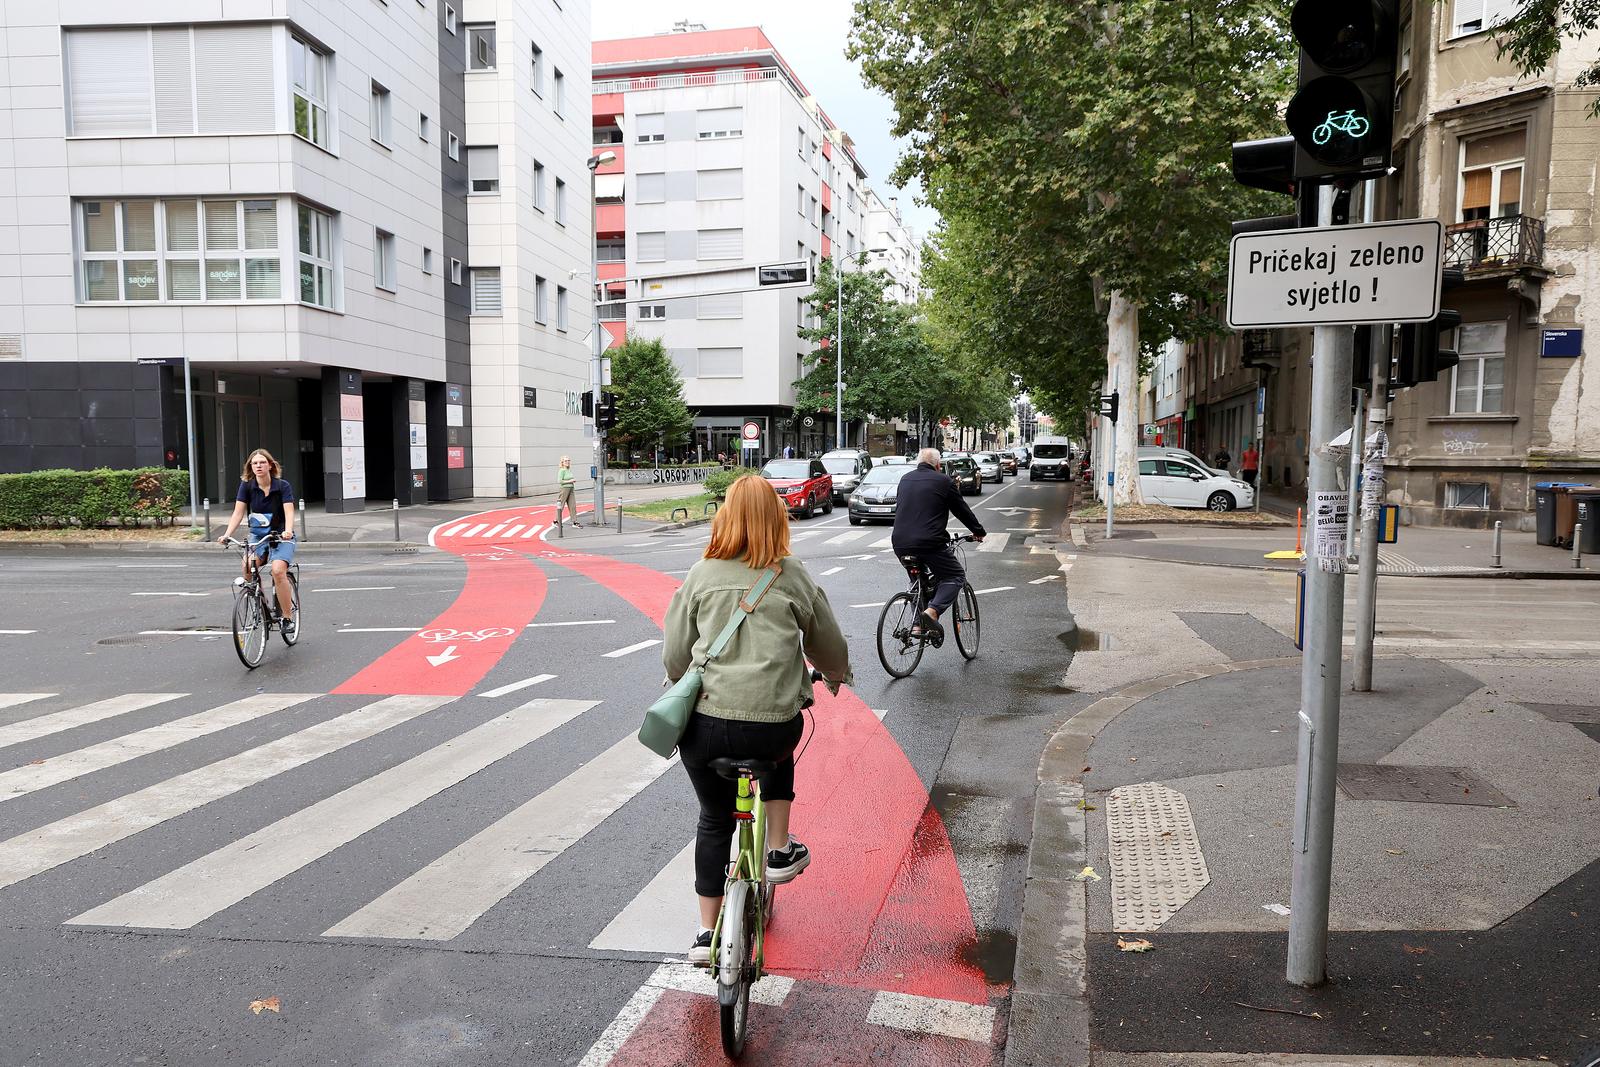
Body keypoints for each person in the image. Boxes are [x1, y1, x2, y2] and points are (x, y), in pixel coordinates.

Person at [662, 474, 852, 964]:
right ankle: (779, 850)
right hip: (769, 730)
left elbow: (675, 655)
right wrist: (834, 674)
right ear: (777, 518)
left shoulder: (701, 573)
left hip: (704, 727)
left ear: (725, 516)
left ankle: (705, 936)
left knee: (713, 818)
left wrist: (683, 678)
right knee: (782, 742)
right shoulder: (791, 574)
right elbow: (827, 644)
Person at [891, 448, 986, 642]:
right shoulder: (944, 481)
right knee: (955, 576)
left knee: (916, 582)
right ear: (938, 465)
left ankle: (917, 625)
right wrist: (978, 531)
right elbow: (962, 510)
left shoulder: (905, 479)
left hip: (900, 542)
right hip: (929, 542)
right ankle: (932, 612)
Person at [217, 448, 298, 636]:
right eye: (255, 463)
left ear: (270, 465)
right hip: (258, 535)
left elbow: (289, 511)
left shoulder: (282, 485)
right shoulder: (246, 486)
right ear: (250, 467)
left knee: (278, 571)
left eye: (262, 462)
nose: (258, 466)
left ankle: (287, 618)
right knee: (247, 565)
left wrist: (287, 530)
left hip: (280, 535)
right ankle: (258, 600)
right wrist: (227, 534)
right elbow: (238, 513)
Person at [557, 456, 580, 527]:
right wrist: (570, 481)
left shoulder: (568, 469)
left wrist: (572, 481)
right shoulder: (562, 470)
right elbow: (559, 481)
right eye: (565, 461)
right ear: (562, 463)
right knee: (561, 505)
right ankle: (556, 521)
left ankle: (574, 522)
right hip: (564, 489)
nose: (567, 462)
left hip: (571, 489)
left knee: (572, 505)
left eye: (568, 460)